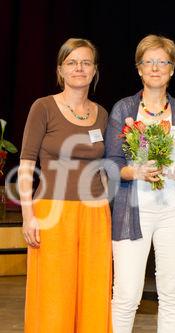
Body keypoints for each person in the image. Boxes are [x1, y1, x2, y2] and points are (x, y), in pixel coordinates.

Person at [104, 35, 175, 333]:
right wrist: (137, 171)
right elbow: (112, 164)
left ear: (172, 69)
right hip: (133, 210)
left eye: (163, 62)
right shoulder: (123, 109)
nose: (155, 68)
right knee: (127, 295)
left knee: (172, 294)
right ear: (139, 69)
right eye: (149, 62)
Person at [19, 38, 112, 332]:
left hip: (95, 215)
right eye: (72, 62)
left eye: (86, 62)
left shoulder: (102, 114)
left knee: (93, 293)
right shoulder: (43, 107)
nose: (79, 68)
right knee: (53, 296)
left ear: (95, 70)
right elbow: (26, 164)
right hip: (51, 213)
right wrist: (27, 216)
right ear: (60, 70)